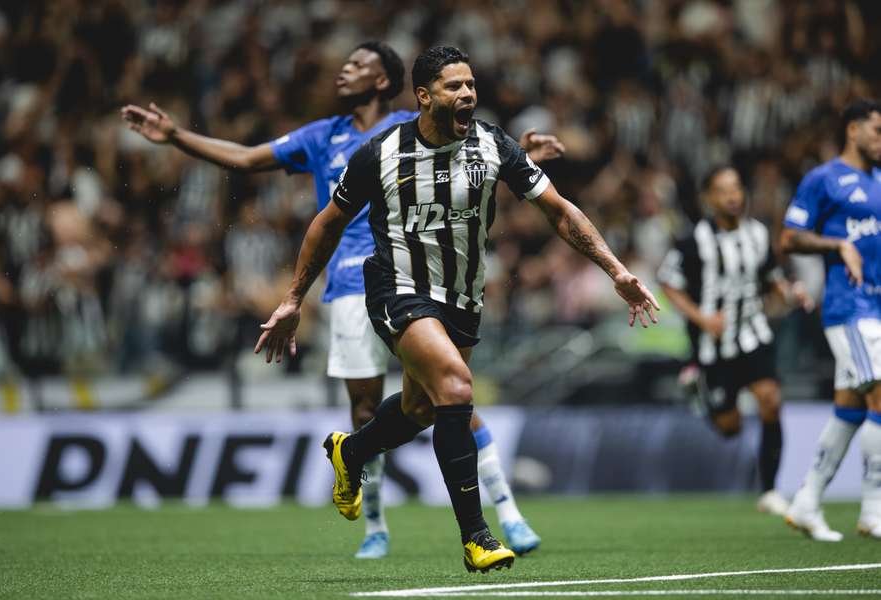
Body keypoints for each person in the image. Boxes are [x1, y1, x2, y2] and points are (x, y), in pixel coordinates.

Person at [121, 41, 560, 558]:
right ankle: (377, 527)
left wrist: (516, 155)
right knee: (380, 404)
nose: (343, 71)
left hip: (421, 280)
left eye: (357, 65)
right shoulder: (321, 136)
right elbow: (246, 159)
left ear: (384, 81)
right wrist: (176, 136)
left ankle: (505, 513)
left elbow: (466, 160)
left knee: (442, 400)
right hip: (353, 286)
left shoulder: (413, 124)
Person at [254, 46, 660, 573]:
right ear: (424, 96)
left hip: (464, 299)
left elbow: (558, 211)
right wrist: (293, 299)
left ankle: (350, 452)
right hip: (398, 288)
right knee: (456, 389)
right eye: (454, 86)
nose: (468, 93)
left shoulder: (493, 145)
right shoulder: (381, 153)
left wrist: (616, 270)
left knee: (421, 409)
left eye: (470, 84)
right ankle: (477, 538)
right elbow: (327, 223)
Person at [658, 165, 812, 516]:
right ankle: (698, 388)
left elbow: (771, 277)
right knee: (730, 428)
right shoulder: (693, 240)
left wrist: (791, 293)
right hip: (713, 345)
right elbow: (667, 281)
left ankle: (769, 490)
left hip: (753, 334)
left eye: (737, 188)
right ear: (709, 198)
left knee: (771, 401)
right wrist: (702, 318)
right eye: (723, 190)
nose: (732, 196)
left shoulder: (757, 233)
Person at [780, 98, 881, 541]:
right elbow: (789, 238)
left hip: (876, 308)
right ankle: (874, 511)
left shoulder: (879, 181)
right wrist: (837, 245)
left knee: (849, 410)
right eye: (877, 130)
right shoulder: (823, 179)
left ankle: (806, 501)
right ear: (853, 130)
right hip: (850, 309)